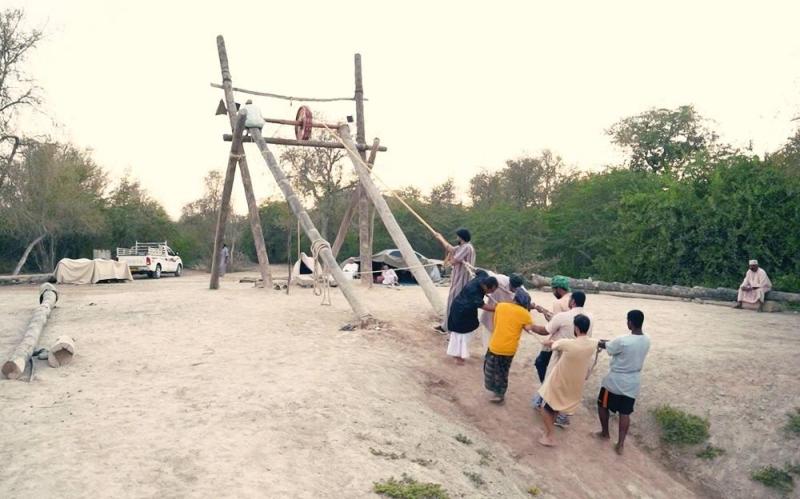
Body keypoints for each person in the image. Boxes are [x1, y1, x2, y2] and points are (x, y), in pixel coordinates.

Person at [530, 291, 593, 428]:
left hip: (561, 354)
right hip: (579, 357)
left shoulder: (563, 316)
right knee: (569, 385)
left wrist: (530, 326)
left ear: (573, 302)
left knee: (553, 383)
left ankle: (552, 413)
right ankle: (562, 415)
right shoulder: (590, 317)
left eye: (569, 300)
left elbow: (545, 331)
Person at [536, 314, 598, 447]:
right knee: (555, 407)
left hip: (560, 380)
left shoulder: (567, 343)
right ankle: (548, 434)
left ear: (576, 328)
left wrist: (546, 342)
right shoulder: (593, 343)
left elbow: (553, 345)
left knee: (544, 408)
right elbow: (600, 343)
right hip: (574, 383)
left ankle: (550, 436)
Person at [595, 309, 650, 455]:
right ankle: (620, 444)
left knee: (602, 405)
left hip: (615, 380)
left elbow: (609, 347)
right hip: (633, 381)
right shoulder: (646, 340)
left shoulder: (623, 340)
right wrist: (608, 342)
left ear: (630, 322)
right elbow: (615, 344)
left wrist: (599, 342)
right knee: (625, 413)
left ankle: (605, 433)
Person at [484, 289, 546, 403]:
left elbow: (496, 314)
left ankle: (494, 390)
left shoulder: (501, 306)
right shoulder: (525, 314)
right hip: (509, 349)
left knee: (490, 367)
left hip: (495, 344)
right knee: (502, 371)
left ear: (514, 298)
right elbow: (528, 328)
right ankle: (499, 393)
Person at [446, 272, 498, 365]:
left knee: (465, 333)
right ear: (486, 287)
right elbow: (485, 306)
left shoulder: (483, 277)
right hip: (461, 311)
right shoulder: (473, 292)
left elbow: (480, 271)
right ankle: (458, 356)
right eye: (491, 291)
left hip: (467, 309)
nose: (491, 293)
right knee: (461, 335)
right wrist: (502, 309)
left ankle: (457, 354)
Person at [435, 228, 476, 333]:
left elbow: (454, 260)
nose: (456, 238)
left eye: (457, 236)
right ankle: (446, 326)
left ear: (461, 237)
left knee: (455, 303)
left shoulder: (467, 247)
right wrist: (440, 238)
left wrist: (450, 261)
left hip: (462, 280)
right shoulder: (462, 246)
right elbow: (451, 249)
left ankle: (452, 329)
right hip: (457, 279)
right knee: (451, 301)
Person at [479, 273, 526, 351]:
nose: (513, 289)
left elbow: (525, 302)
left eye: (515, 287)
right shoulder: (500, 279)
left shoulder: (521, 291)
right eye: (512, 286)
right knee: (488, 336)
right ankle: (486, 355)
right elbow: (487, 276)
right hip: (491, 312)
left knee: (499, 338)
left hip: (504, 317)